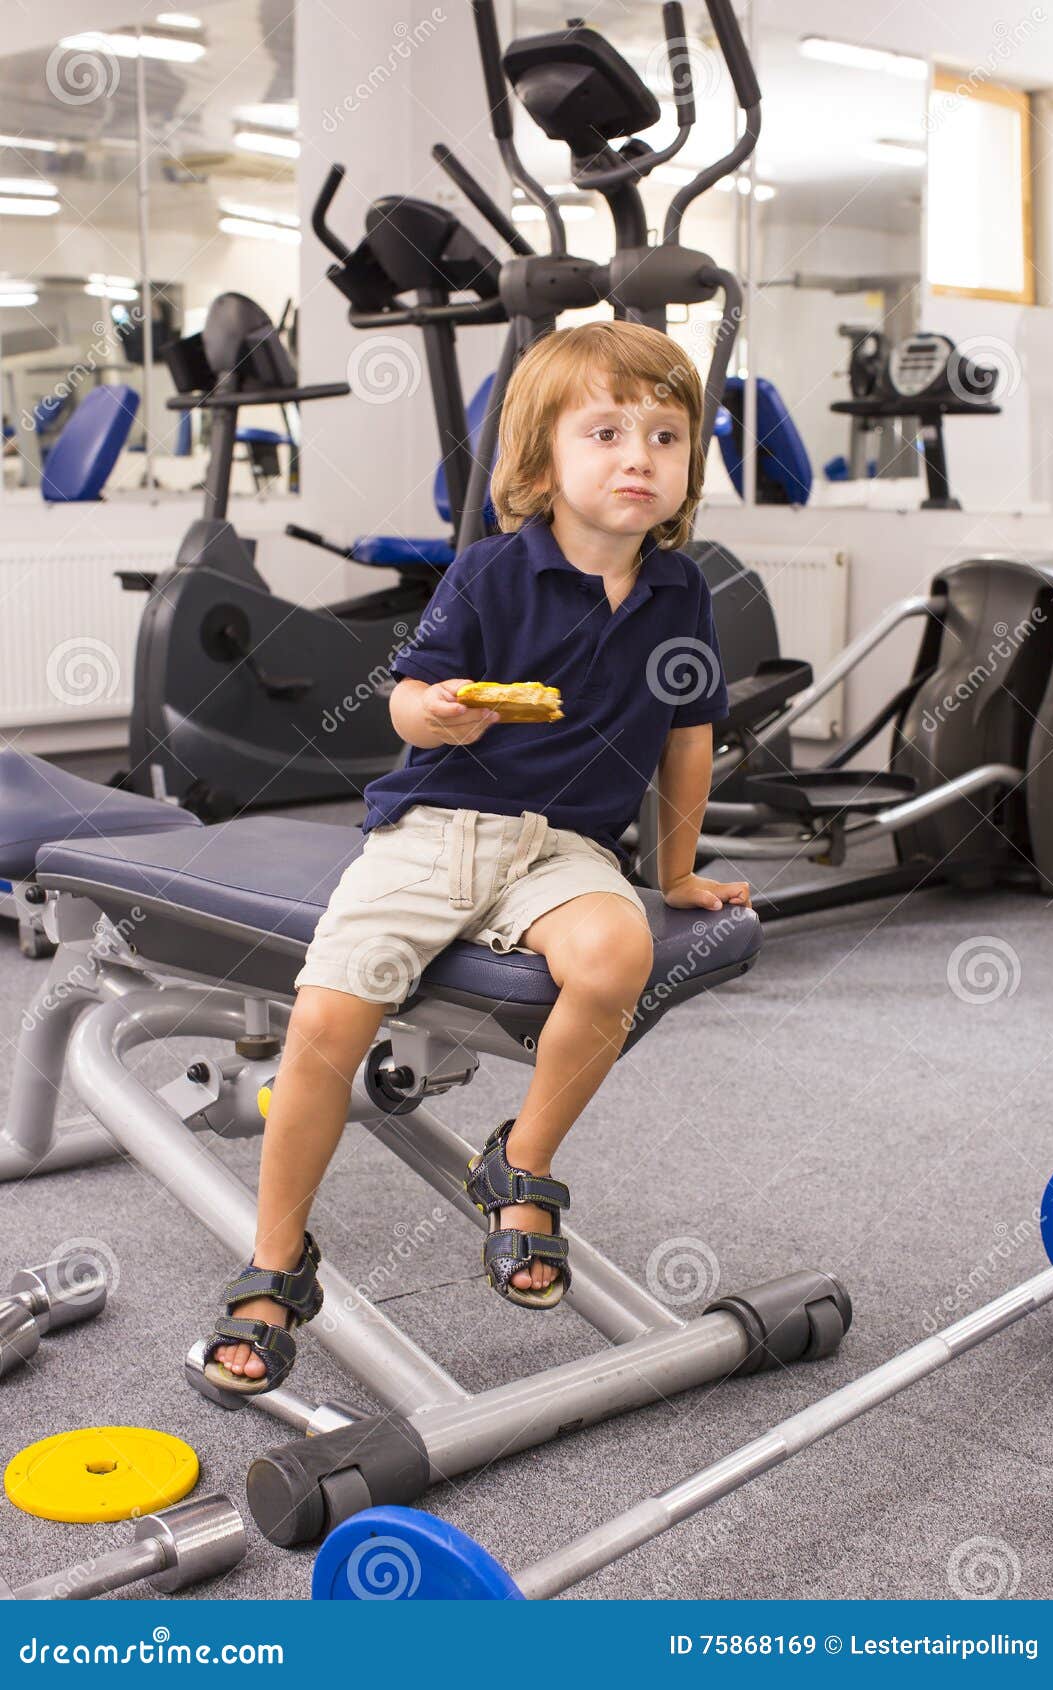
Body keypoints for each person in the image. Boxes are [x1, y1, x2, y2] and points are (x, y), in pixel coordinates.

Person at [202, 319, 750, 1396]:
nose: (639, 455)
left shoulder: (681, 591)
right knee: (323, 1023)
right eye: (604, 432)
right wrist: (434, 713)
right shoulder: (490, 572)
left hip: (567, 849)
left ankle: (522, 1162)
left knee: (615, 953)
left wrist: (677, 873)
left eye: (665, 434)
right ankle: (276, 1262)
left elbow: (689, 736)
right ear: (543, 462)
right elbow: (411, 695)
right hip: (436, 827)